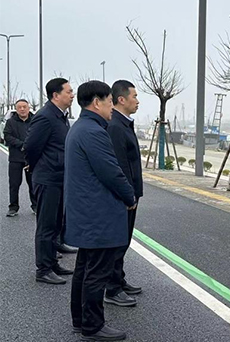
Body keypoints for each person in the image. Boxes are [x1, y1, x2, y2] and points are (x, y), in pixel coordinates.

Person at [65, 80, 135, 341]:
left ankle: (80, 320)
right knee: (96, 272)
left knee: (84, 268)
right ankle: (93, 326)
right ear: (97, 102)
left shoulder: (80, 128)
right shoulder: (93, 132)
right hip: (98, 214)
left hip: (87, 212)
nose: (111, 107)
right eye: (109, 102)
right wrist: (129, 196)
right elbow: (111, 172)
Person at [24, 78, 75, 284]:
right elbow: (30, 147)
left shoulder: (60, 116)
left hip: (59, 177)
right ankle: (43, 269)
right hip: (47, 178)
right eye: (69, 91)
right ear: (56, 95)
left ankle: (52, 262)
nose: (72, 95)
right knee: (46, 225)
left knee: (55, 224)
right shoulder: (45, 116)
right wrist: (39, 166)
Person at [104, 80, 143, 307]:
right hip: (124, 197)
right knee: (118, 242)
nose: (137, 101)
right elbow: (119, 166)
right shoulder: (116, 127)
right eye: (134, 96)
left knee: (124, 240)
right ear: (121, 99)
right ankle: (112, 288)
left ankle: (119, 279)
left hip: (130, 194)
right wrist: (128, 195)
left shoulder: (123, 123)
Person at [3, 99, 36, 217]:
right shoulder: (11, 122)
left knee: (33, 183)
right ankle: (13, 207)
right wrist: (22, 145)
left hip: (31, 157)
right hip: (15, 157)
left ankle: (36, 205)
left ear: (28, 108)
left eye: (24, 107)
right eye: (19, 107)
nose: (22, 109)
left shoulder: (35, 121)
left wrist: (29, 145)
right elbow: (7, 136)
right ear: (16, 109)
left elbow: (38, 135)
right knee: (14, 184)